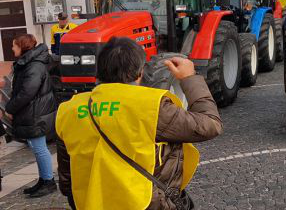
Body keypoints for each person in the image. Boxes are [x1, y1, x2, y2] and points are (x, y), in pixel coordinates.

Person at [56, 37, 223, 209]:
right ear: (140, 72)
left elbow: (67, 178)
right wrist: (189, 78)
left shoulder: (69, 109)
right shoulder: (152, 107)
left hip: (91, 203)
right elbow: (210, 124)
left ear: (99, 70)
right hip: (144, 203)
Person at [2, 34, 57, 198]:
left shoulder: (33, 65)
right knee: (37, 147)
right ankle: (44, 179)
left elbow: (27, 92)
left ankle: (48, 181)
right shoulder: (28, 63)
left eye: (14, 46)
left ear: (22, 47)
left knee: (39, 148)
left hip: (35, 114)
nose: (12, 48)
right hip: (32, 112)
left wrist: (10, 108)